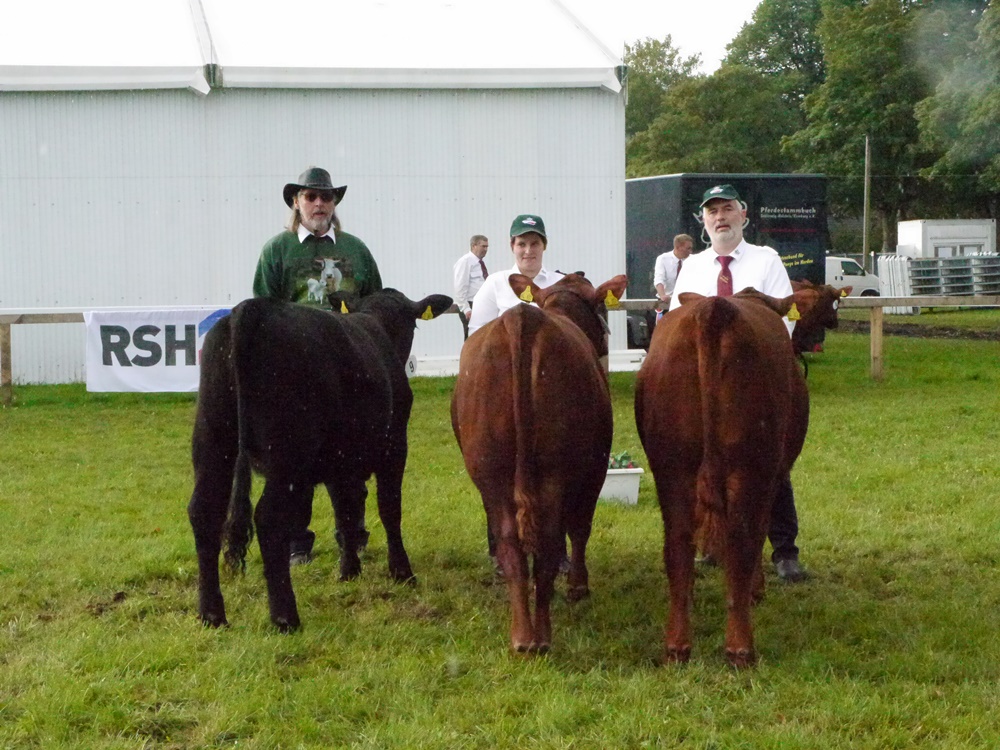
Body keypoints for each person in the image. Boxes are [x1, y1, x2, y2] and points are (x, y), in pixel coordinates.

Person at [669, 184, 808, 583]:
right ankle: (713, 542)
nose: (720, 217)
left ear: (743, 215)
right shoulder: (692, 267)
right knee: (705, 459)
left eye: (727, 209)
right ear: (703, 222)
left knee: (769, 462)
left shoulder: (766, 260)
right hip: (703, 381)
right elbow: (676, 324)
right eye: (712, 212)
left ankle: (784, 550)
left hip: (755, 378)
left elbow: (785, 319)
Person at [253, 166, 378, 565]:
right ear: (296, 202)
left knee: (354, 452)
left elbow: (374, 306)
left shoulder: (357, 250)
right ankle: (296, 541)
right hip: (297, 371)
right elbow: (263, 310)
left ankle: (352, 532)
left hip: (350, 367)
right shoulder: (277, 250)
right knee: (295, 455)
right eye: (311, 196)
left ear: (335, 202)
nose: (319, 203)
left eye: (326, 197)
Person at [467, 215, 560, 336]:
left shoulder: (560, 284)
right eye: (521, 244)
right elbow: (477, 334)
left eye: (535, 244)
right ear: (512, 247)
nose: (528, 251)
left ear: (544, 246)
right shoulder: (495, 283)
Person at [453, 235, 490, 339]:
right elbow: (460, 287)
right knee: (472, 338)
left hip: (481, 304)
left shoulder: (479, 263)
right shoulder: (465, 262)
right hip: (471, 305)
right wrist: (466, 309)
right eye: (483, 246)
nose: (485, 249)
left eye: (487, 247)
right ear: (474, 246)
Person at [653, 234, 693, 305]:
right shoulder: (663, 259)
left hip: (686, 300)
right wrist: (663, 295)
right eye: (688, 248)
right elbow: (659, 279)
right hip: (667, 300)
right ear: (677, 247)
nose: (690, 251)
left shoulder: (693, 260)